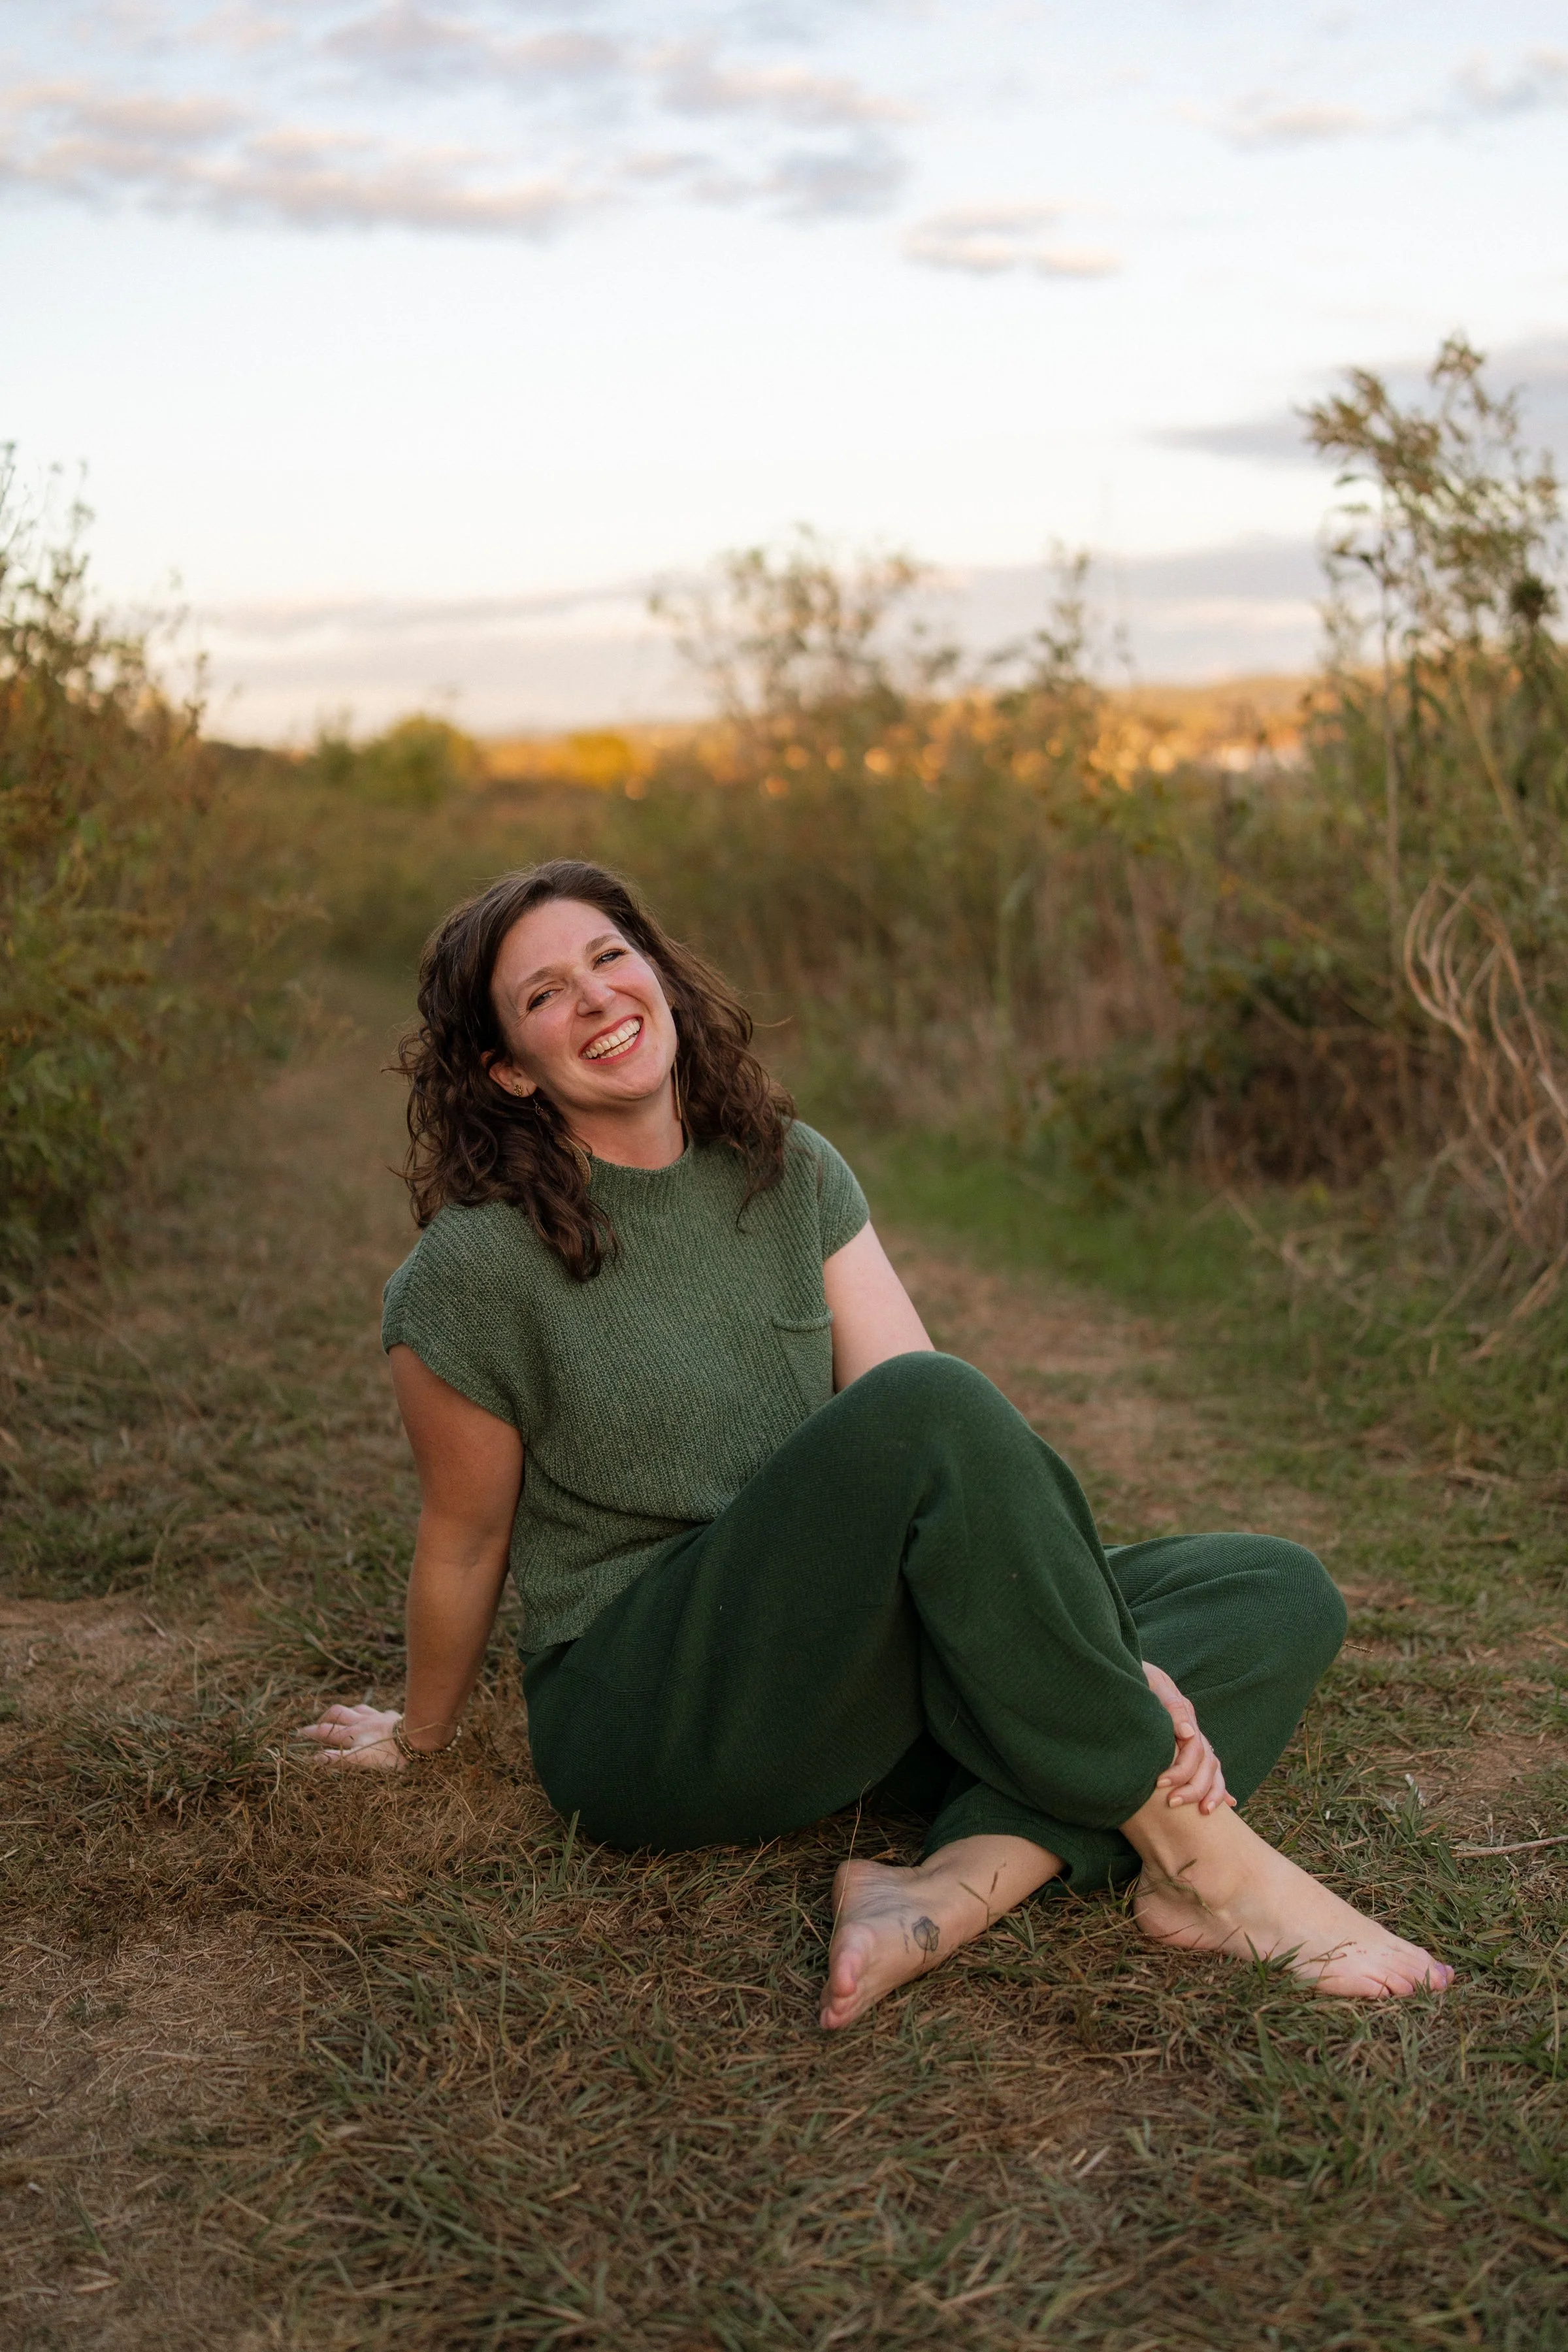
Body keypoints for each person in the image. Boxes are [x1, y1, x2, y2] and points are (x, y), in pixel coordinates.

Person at [299, 858, 1452, 2023]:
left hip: (849, 1667)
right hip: (656, 1702)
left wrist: (1103, 1651)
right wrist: (423, 1740)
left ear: (657, 976)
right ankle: (1209, 1867)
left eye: (608, 958)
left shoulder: (786, 1170)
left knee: (1274, 1590)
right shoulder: (472, 1272)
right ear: (505, 1066)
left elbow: (947, 1464)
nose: (595, 997)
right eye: (544, 994)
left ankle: (954, 1884)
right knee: (933, 1411)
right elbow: (465, 1534)